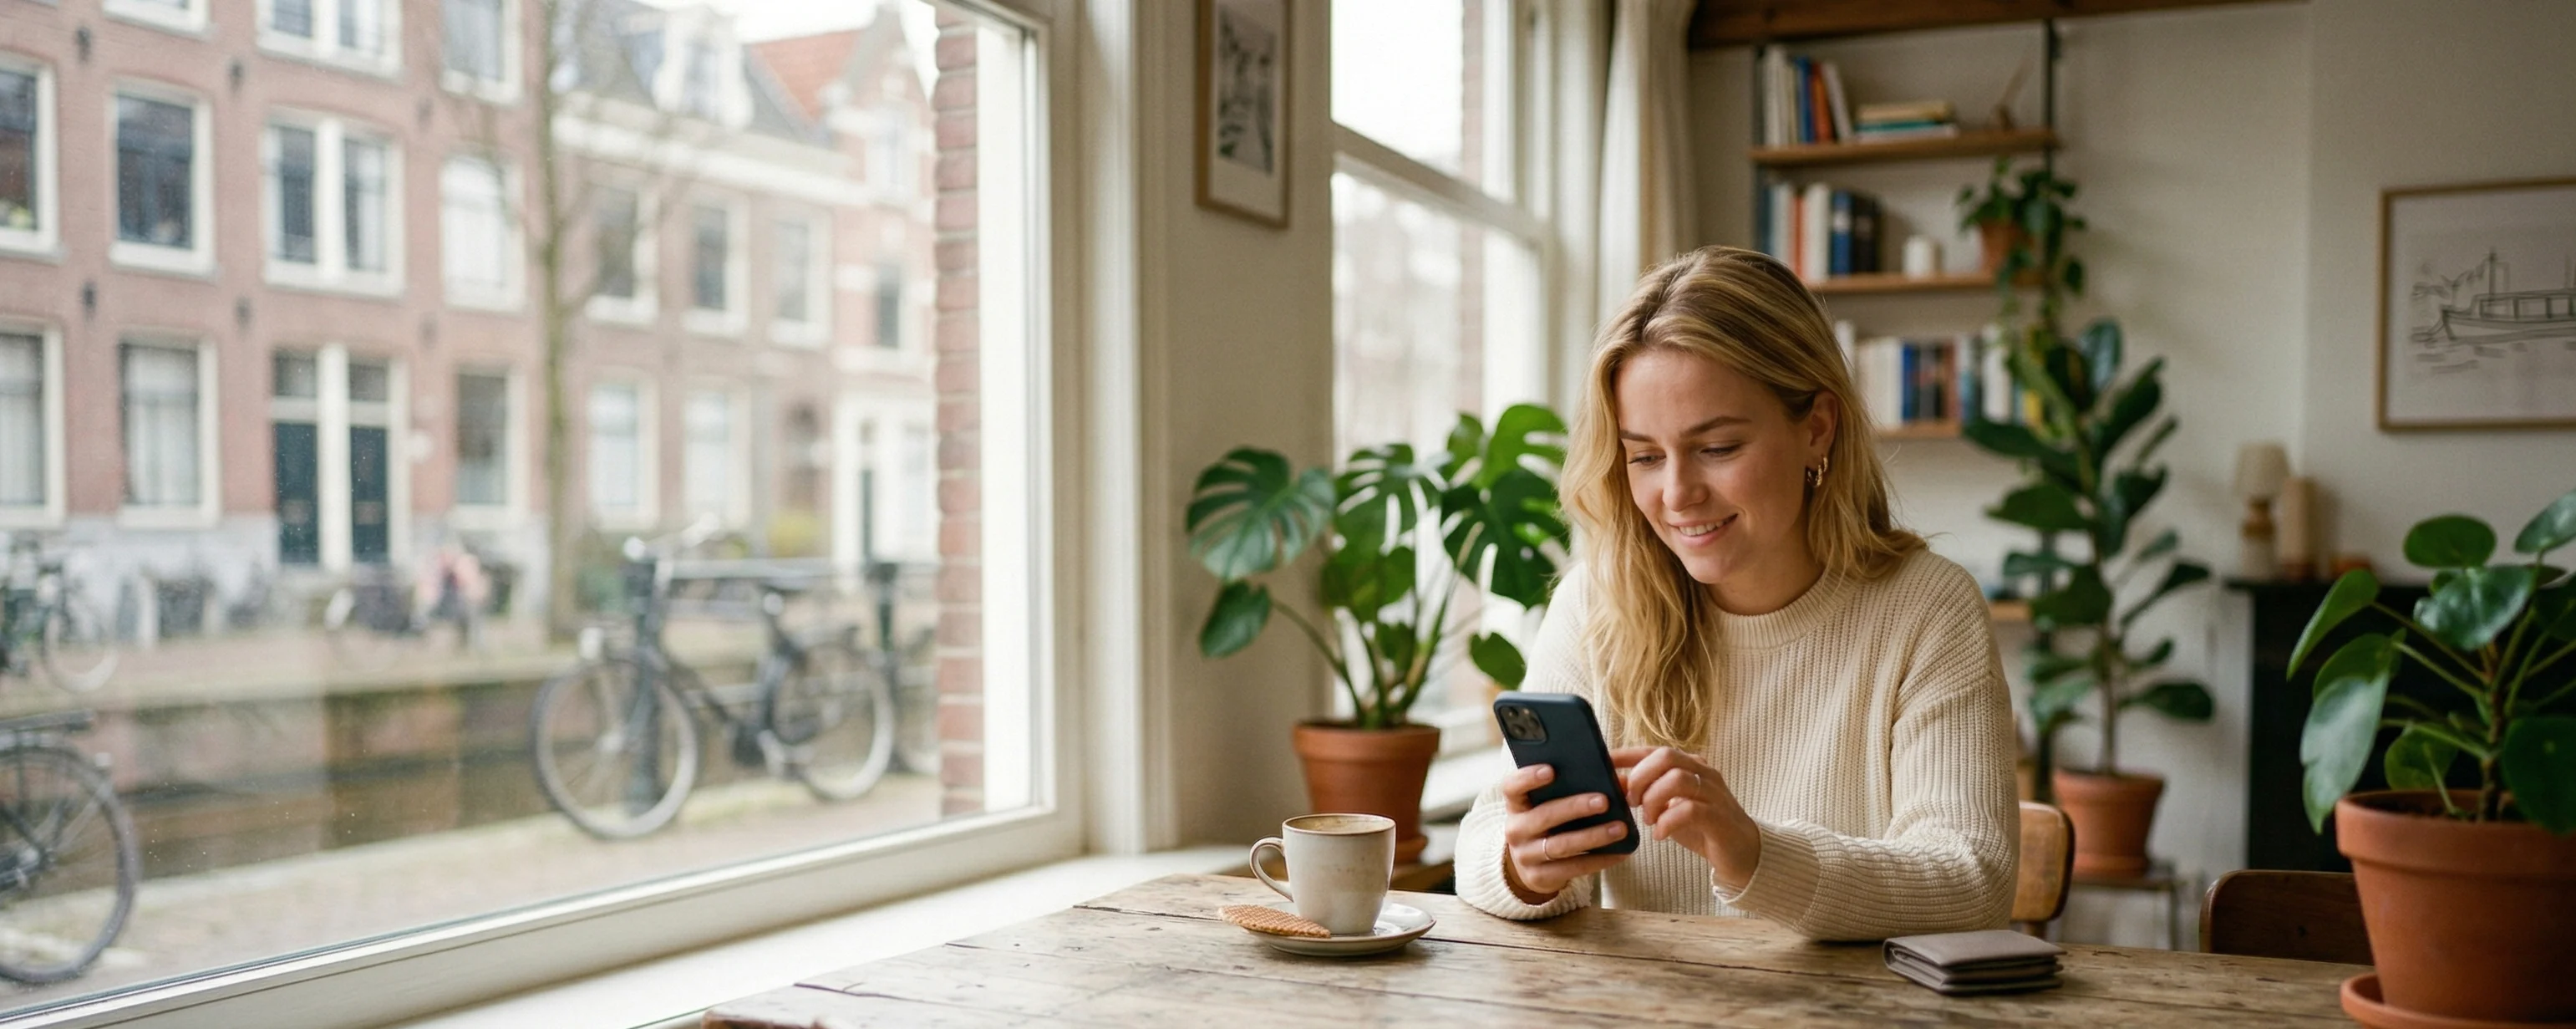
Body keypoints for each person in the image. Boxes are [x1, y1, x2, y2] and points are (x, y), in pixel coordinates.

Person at [1455, 246, 2017, 941]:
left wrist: (1755, 853)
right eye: (1644, 456)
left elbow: (1973, 881)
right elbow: (1483, 840)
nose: (1676, 494)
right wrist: (1524, 864)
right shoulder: (1594, 604)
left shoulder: (1926, 609)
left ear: (1816, 427)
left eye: (1717, 447)